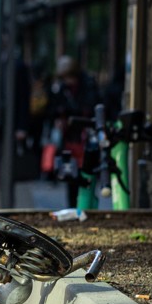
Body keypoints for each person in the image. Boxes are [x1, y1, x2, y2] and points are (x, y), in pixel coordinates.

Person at [46, 55, 100, 205]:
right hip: (69, 137)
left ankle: (86, 203)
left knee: (87, 172)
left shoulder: (87, 86)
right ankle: (72, 205)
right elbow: (51, 109)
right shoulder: (60, 89)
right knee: (70, 172)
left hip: (84, 136)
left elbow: (93, 105)